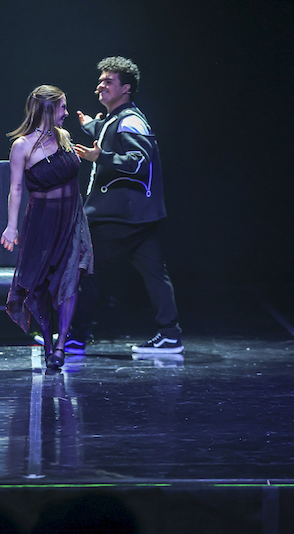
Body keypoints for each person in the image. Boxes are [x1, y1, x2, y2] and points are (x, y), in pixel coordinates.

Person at [69, 56, 182, 355]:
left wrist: (99, 158)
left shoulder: (130, 120)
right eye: (100, 81)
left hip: (119, 217)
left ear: (126, 88)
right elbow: (110, 134)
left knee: (83, 270)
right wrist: (92, 126)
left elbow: (138, 162)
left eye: (108, 82)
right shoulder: (117, 120)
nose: (100, 86)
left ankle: (74, 338)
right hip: (138, 217)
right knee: (156, 274)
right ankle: (170, 336)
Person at [1, 85, 93, 369]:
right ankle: (49, 343)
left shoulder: (63, 137)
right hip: (42, 221)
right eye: (63, 107)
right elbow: (16, 189)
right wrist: (11, 227)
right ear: (49, 109)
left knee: (70, 277)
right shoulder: (22, 146)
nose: (66, 113)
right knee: (41, 284)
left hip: (72, 219)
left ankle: (61, 346)